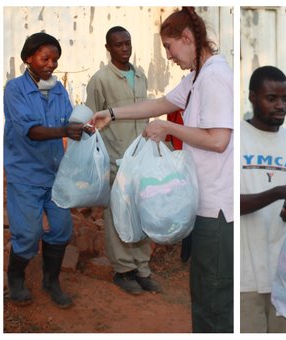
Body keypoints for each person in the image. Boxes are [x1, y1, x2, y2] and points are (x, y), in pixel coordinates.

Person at [91, 7, 233, 333]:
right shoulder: (197, 77)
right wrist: (112, 113)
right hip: (203, 203)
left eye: (169, 47)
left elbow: (218, 140)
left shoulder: (215, 77)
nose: (168, 56)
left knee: (215, 296)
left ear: (187, 38)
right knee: (204, 292)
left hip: (219, 209)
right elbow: (160, 104)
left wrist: (169, 129)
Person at [4, 32, 84, 308]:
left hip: (55, 173)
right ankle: (15, 278)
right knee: (27, 233)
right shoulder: (14, 90)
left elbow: (72, 120)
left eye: (55, 59)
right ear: (29, 58)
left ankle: (51, 281)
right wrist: (65, 130)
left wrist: (85, 124)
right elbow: (32, 131)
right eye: (45, 58)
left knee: (61, 229)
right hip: (25, 174)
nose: (51, 64)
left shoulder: (58, 89)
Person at [85, 26, 162, 295]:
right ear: (108, 48)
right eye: (118, 44)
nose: (124, 48)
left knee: (140, 213)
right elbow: (92, 121)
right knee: (118, 215)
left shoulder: (140, 75)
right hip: (115, 160)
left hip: (141, 158)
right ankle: (123, 271)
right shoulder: (100, 80)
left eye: (127, 43)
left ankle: (142, 269)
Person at [240, 66, 286, 333]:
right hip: (244, 276)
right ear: (252, 97)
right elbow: (229, 202)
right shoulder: (236, 138)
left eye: (285, 99)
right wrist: (278, 193)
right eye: (271, 98)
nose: (280, 105)